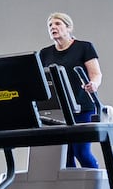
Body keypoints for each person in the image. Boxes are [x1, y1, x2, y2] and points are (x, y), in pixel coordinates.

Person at [39, 11, 103, 169]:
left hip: (83, 107)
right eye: (50, 25)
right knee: (64, 157)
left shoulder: (84, 47)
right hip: (58, 111)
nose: (53, 27)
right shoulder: (44, 53)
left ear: (68, 28)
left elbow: (96, 74)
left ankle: (102, 187)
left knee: (81, 152)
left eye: (58, 24)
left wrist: (93, 84)